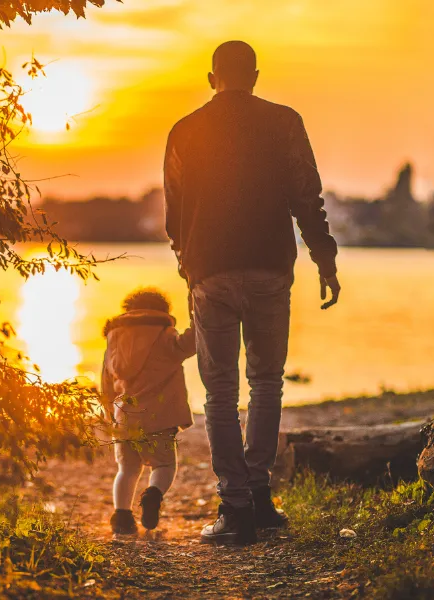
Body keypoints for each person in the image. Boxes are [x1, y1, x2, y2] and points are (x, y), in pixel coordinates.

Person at [164, 40, 341, 545]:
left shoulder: (184, 130)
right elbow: (307, 197)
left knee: (220, 392)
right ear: (256, 76)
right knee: (267, 381)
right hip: (268, 267)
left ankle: (235, 505)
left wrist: (187, 262)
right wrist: (324, 259)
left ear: (211, 77)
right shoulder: (285, 122)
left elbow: (174, 211)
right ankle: (260, 496)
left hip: (211, 272)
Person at [100, 287, 196, 536]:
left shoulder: (114, 338)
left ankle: (122, 517)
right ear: (162, 311)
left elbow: (106, 381)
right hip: (159, 418)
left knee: (127, 470)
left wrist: (109, 413)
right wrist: (196, 308)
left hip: (123, 418)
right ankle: (153, 495)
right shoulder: (165, 335)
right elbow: (192, 343)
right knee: (163, 466)